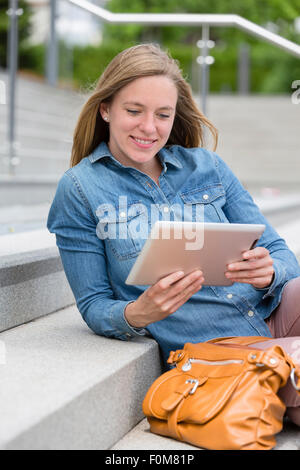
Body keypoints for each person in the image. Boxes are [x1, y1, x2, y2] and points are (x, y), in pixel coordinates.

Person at [47, 43, 300, 425]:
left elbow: (280, 252)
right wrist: (137, 313)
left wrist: (271, 271)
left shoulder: (208, 166)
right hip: (214, 345)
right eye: (134, 111)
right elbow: (95, 305)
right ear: (106, 109)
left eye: (163, 115)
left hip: (276, 311)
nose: (149, 128)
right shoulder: (80, 189)